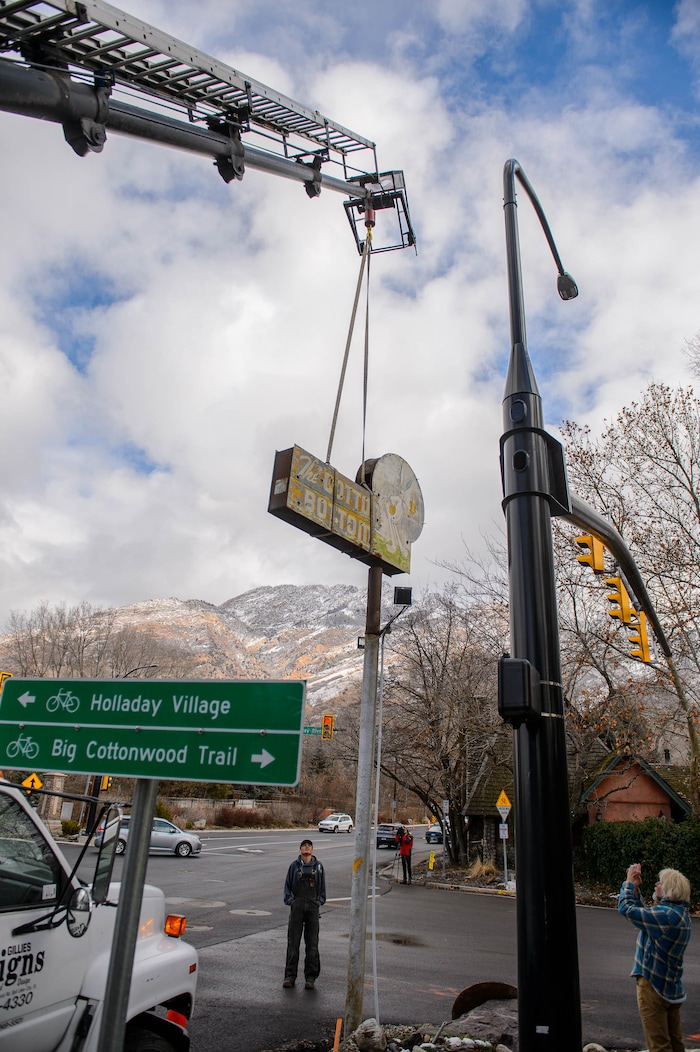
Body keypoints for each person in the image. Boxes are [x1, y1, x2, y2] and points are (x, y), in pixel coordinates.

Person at [618, 862, 692, 1052]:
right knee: (675, 1043)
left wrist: (628, 884)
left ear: (669, 890)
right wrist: (635, 889)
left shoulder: (665, 916)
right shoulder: (678, 915)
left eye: (660, 883)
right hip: (671, 988)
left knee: (659, 1045)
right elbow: (646, 916)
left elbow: (626, 909)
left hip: (653, 985)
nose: (656, 885)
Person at [282, 839, 326, 989]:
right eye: (304, 846)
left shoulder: (318, 867)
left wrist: (318, 902)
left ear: (312, 850)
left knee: (312, 944)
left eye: (309, 846)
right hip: (297, 908)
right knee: (293, 943)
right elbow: (287, 886)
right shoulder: (294, 867)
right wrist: (291, 901)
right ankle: (289, 976)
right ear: (300, 850)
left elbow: (322, 889)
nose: (306, 848)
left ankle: (310, 978)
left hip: (313, 908)